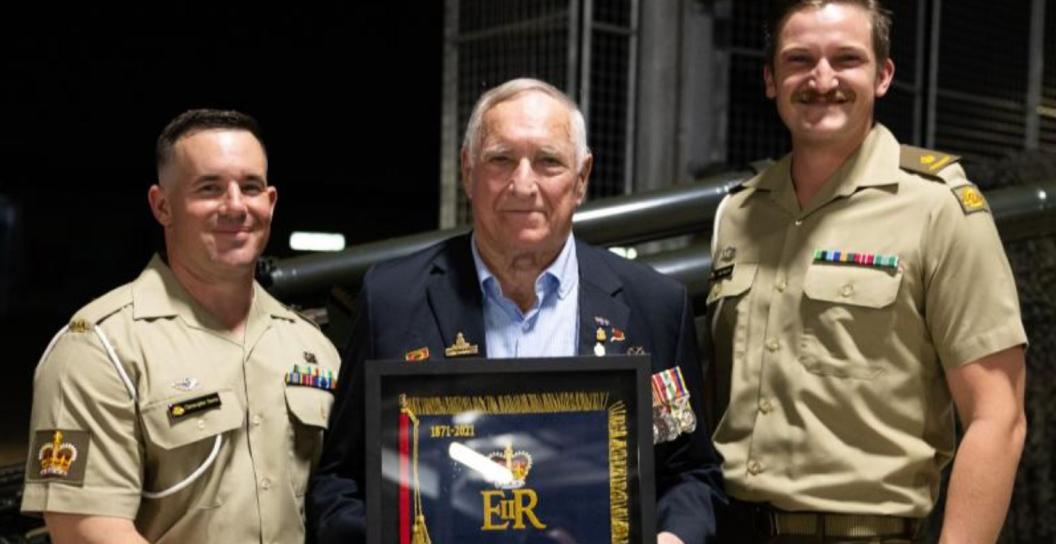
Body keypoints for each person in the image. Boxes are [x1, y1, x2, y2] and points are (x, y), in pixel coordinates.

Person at [309, 78, 725, 544]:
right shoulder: (392, 299)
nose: (523, 184)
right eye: (500, 159)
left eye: (548, 161)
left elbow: (692, 474)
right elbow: (338, 483)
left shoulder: (653, 304)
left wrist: (675, 537)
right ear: (468, 171)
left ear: (582, 178)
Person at [707, 1, 1028, 542]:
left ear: (882, 75)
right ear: (770, 79)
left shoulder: (937, 208)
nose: (822, 78)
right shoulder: (738, 213)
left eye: (846, 59)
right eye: (799, 59)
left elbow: (999, 417)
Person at [21, 109, 340, 543]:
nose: (235, 206)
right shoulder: (102, 348)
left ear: (270, 201)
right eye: (209, 188)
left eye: (249, 187)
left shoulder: (311, 347)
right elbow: (85, 527)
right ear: (162, 205)